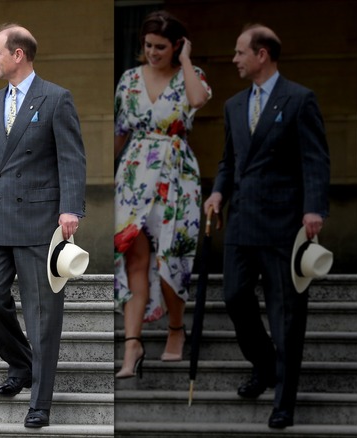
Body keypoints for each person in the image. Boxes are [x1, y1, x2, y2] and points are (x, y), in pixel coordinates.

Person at [0, 23, 86, 428]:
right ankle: (21, 364)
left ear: (18, 55)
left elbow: (72, 159)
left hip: (39, 220)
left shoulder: (56, 98)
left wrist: (71, 209)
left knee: (42, 314)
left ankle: (40, 402)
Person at [203, 24, 329, 429]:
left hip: (283, 224)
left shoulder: (299, 99)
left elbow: (315, 159)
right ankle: (265, 364)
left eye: (241, 52)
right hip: (241, 221)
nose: (234, 59)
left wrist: (314, 209)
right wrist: (218, 192)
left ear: (262, 55)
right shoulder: (234, 105)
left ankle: (284, 401)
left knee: (286, 315)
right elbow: (228, 160)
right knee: (236, 298)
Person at [113, 10, 211, 379]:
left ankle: (175, 328)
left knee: (170, 256)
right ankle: (132, 345)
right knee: (134, 259)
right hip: (134, 172)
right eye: (148, 45)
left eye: (161, 47)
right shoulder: (129, 79)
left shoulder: (192, 76)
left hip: (176, 173)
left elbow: (199, 100)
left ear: (177, 46)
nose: (153, 52)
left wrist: (185, 61)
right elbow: (120, 131)